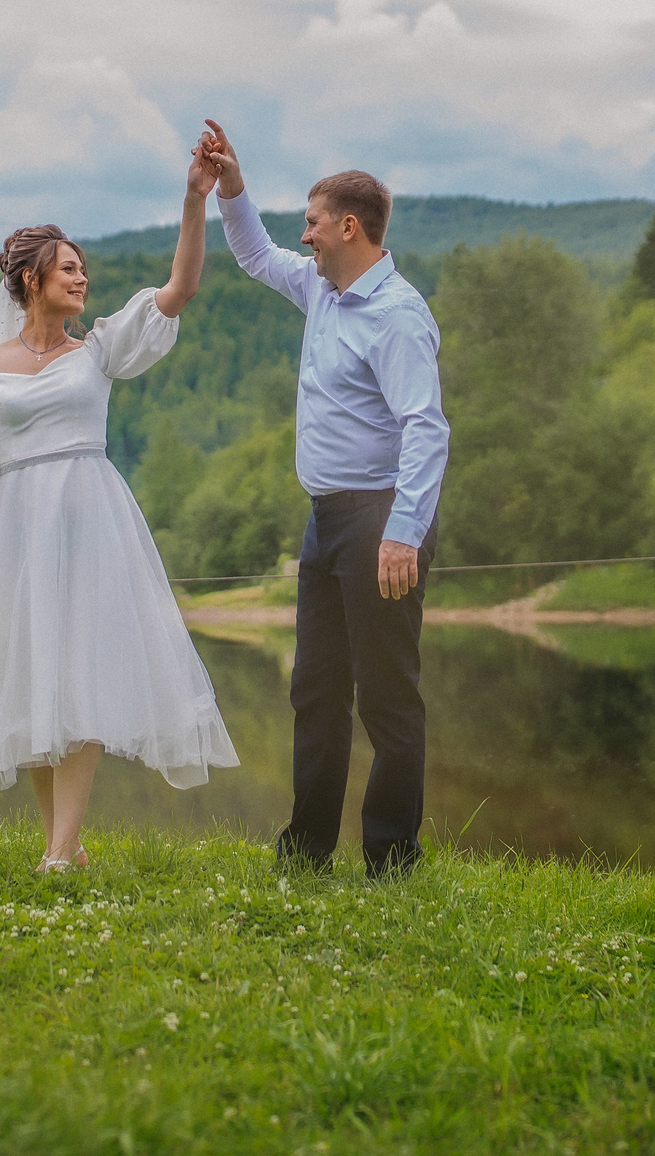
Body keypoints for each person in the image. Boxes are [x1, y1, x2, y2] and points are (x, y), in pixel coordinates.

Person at [0, 139, 238, 871]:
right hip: (12, 529)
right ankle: (67, 845)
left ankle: (57, 854)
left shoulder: (100, 350)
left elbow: (179, 288)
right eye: (70, 269)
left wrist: (194, 199)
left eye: (84, 269)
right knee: (29, 679)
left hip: (89, 520)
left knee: (81, 674)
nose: (83, 279)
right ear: (32, 279)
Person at [197, 121, 449, 877]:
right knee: (315, 691)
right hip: (327, 518)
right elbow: (254, 255)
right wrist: (231, 187)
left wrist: (403, 533)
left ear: (348, 227)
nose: (302, 236)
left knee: (388, 698)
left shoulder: (397, 314)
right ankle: (306, 852)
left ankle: (392, 859)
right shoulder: (322, 289)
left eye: (311, 222)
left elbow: (426, 428)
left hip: (381, 518)